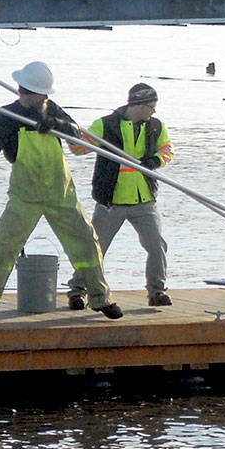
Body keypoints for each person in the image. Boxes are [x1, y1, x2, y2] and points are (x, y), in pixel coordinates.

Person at [0, 61, 124, 324]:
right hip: (25, 195)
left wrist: (56, 123)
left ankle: (100, 297)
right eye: (23, 92)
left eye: (33, 94)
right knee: (3, 246)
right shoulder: (7, 115)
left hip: (60, 193)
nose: (26, 97)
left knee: (86, 242)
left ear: (44, 94)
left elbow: (78, 141)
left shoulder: (54, 111)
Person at [68, 83, 175, 308]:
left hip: (144, 199)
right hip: (111, 202)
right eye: (151, 106)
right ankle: (78, 289)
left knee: (157, 246)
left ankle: (157, 291)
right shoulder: (106, 125)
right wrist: (70, 133)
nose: (154, 111)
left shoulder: (156, 126)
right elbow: (79, 149)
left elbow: (167, 151)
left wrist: (155, 161)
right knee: (95, 247)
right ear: (138, 104)